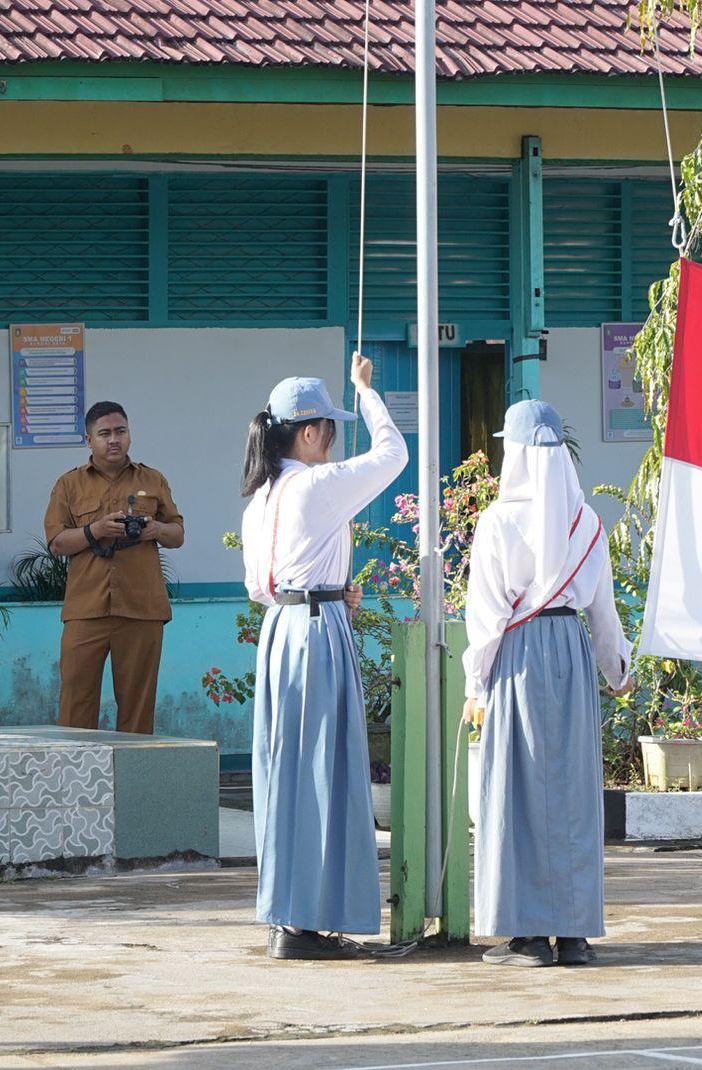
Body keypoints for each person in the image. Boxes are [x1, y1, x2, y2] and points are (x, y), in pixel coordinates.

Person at [240, 355, 406, 960]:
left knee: (284, 775)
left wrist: (332, 588)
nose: (333, 442)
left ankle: (286, 915)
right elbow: (393, 455)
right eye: (330, 430)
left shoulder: (260, 498)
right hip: (316, 634)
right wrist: (365, 391)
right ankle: (305, 923)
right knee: (323, 773)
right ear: (309, 432)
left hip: (282, 629)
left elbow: (262, 588)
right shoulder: (315, 484)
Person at [462, 399, 634, 966]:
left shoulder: (499, 521)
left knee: (519, 791)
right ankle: (574, 935)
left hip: (519, 655)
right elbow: (603, 611)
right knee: (572, 794)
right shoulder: (586, 522)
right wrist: (617, 670)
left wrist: (475, 686)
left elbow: (487, 617)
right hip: (572, 653)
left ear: (513, 453)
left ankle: (529, 936)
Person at [44, 402, 184, 735]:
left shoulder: (153, 479)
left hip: (141, 607)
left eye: (120, 431)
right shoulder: (69, 484)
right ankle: (76, 768)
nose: (113, 440)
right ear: (88, 440)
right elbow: (56, 543)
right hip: (86, 608)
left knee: (138, 706)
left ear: (129, 435)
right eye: (104, 433)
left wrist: (155, 530)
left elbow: (177, 534)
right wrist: (96, 530)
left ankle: (133, 769)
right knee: (75, 702)